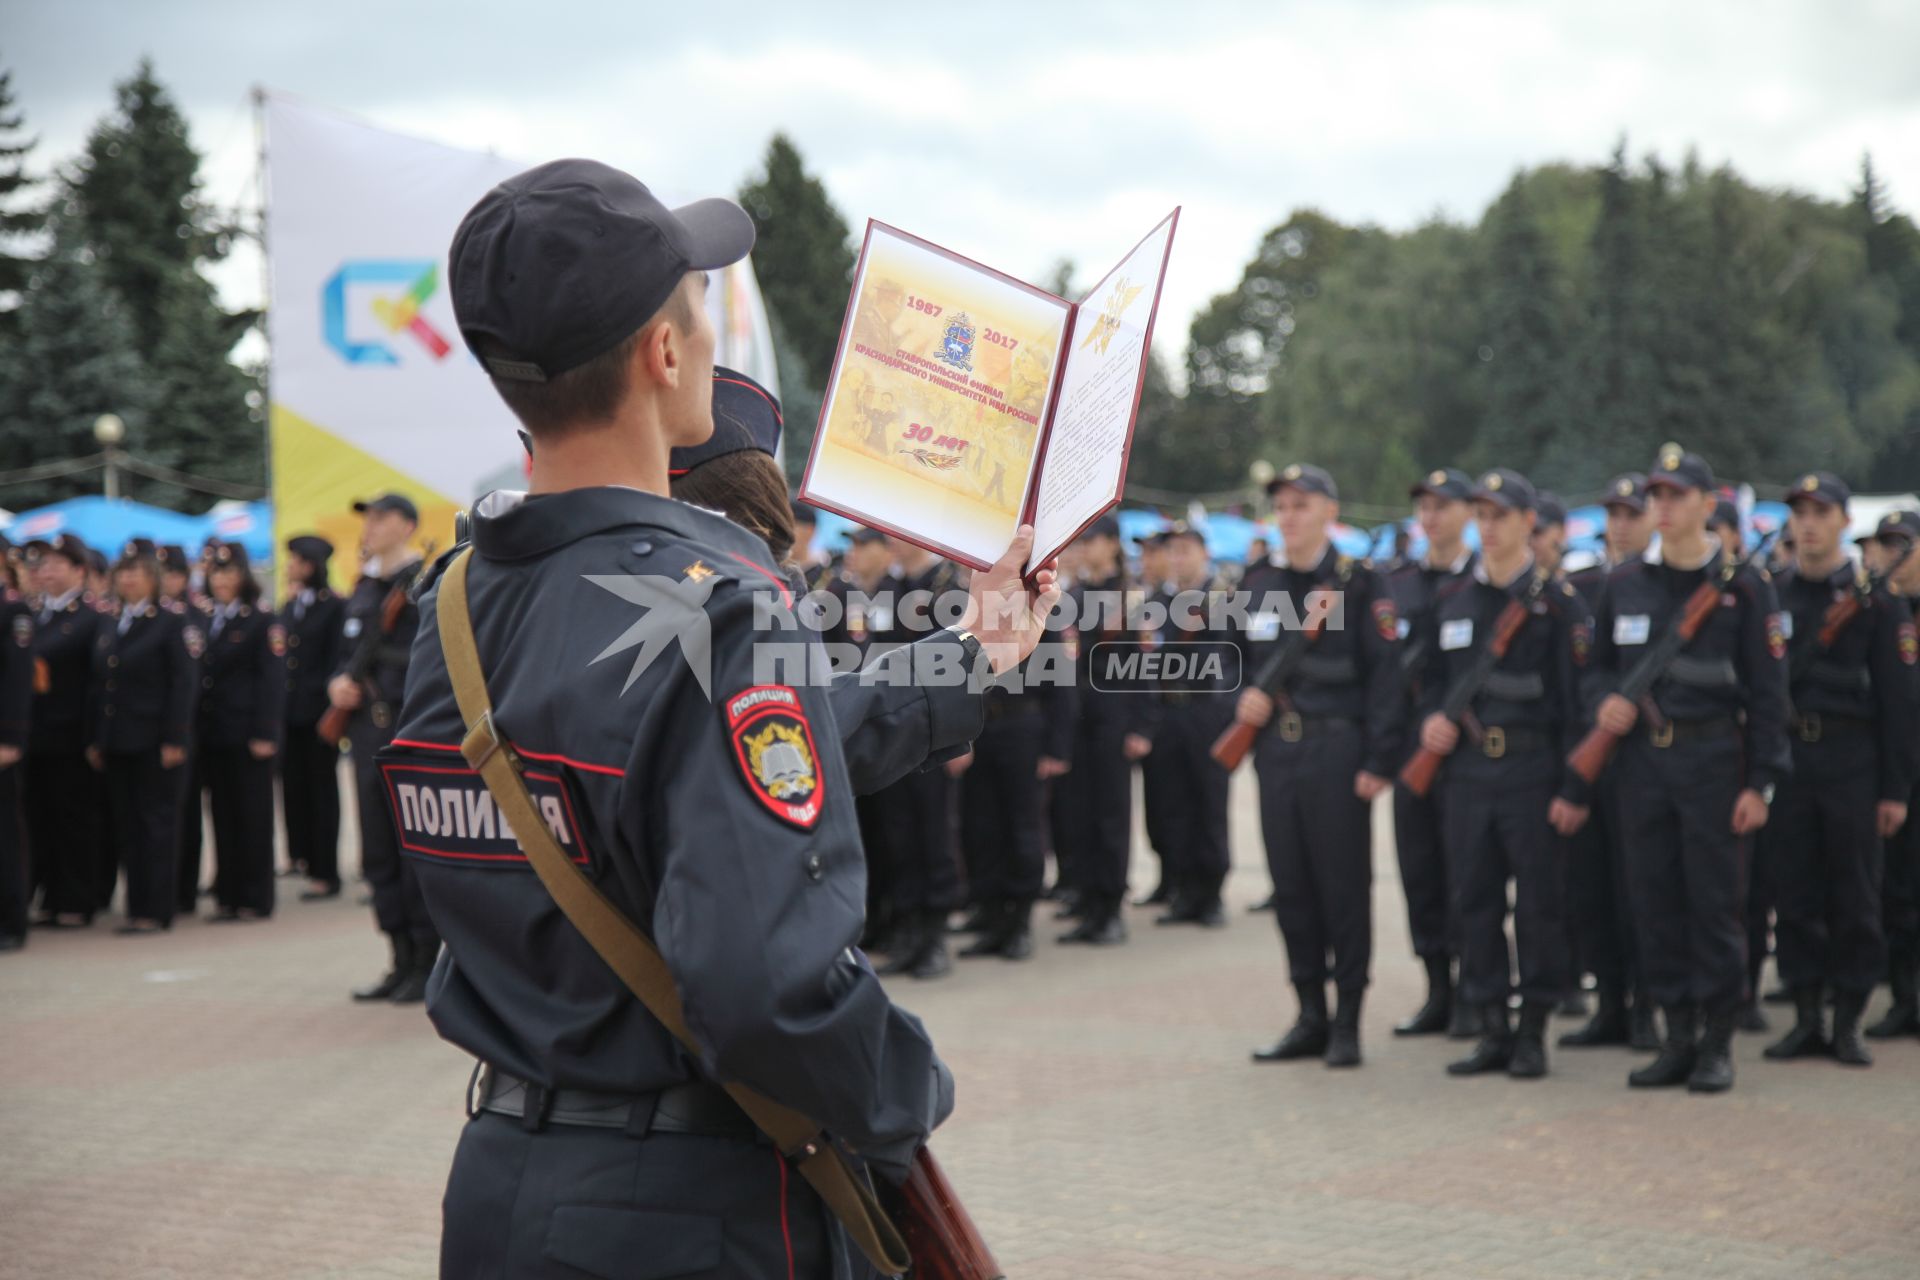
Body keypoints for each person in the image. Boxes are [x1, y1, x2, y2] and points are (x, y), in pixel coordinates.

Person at [403, 156, 1056, 1277]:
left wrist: (969, 654)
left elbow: (709, 764)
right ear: (664, 353)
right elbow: (771, 988)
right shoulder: (717, 609)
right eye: (699, 308)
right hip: (691, 1212)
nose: (708, 332)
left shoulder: (458, 599)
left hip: (502, 1180)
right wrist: (902, 1096)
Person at [1585, 444, 1790, 1093]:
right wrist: (1605, 704)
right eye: (1657, 495)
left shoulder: (1744, 586)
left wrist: (1760, 781)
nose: (1663, 507)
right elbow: (1593, 671)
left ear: (1707, 504)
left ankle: (1718, 1042)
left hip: (1713, 763)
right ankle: (1677, 1036)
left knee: (1714, 906)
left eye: (1677, 496)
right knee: (1654, 902)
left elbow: (1768, 693)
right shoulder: (1622, 584)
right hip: (1642, 763)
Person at [1415, 470, 1591, 1078]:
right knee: (1474, 901)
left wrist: (1573, 788)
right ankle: (1490, 1025)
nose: (1489, 528)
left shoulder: (1557, 605)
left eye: (1501, 517)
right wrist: (1431, 721)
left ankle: (1533, 1029)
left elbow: (1577, 707)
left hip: (1533, 772)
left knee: (1539, 905)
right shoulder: (1451, 599)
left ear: (1527, 524)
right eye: (1482, 516)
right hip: (1465, 774)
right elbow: (1428, 680)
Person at [1236, 464, 1402, 1069]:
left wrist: (1380, 758)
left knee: (1343, 888)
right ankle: (1309, 1013)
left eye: (1302, 505)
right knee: (1292, 887)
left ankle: (1349, 1019)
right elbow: (1230, 659)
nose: (1289, 516)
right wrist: (1242, 698)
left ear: (1330, 512)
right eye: (1281, 505)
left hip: (1338, 753)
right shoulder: (1255, 581)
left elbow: (1387, 675)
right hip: (1277, 755)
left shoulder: (1358, 583)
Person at [1759, 473, 1916, 1067]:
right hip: (1792, 762)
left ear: (1844, 522)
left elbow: (1901, 706)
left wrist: (1895, 790)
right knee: (1794, 894)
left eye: (1821, 513)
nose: (1808, 523)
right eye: (1800, 512)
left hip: (1853, 763)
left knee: (1855, 897)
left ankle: (1848, 1019)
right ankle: (1805, 1015)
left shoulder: (1877, 602)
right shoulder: (1772, 593)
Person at [1561, 473, 1661, 1052]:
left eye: (1632, 513)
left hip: (1646, 760)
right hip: (1587, 757)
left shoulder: (1664, 586)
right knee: (1592, 887)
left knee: (1640, 892)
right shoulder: (1583, 584)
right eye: (1613, 514)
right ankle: (1609, 1006)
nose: (1620, 524)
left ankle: (1646, 1007)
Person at [329, 492, 436, 1002]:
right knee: (377, 854)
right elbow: (345, 653)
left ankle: (426, 963)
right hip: (367, 733)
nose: (370, 525)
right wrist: (338, 686)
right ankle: (397, 958)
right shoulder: (365, 586)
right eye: (367, 517)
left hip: (406, 731)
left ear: (408, 524)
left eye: (381, 516)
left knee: (412, 853)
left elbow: (428, 661)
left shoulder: (425, 584)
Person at [1385, 468, 1478, 1038]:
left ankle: (1476, 991)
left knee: (1469, 877)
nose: (1431, 516)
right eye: (1424, 506)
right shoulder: (1396, 582)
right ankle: (1437, 989)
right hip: (1407, 750)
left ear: (1467, 513)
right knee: (1419, 872)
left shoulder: (1482, 583)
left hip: (1466, 752)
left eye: (1443, 506)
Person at [89, 541, 200, 934]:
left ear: (153, 578)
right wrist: (98, 739)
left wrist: (176, 739)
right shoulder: (113, 620)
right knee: (127, 825)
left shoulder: (172, 621)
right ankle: (136, 906)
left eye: (137, 571)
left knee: (156, 826)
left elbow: (183, 685)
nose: (128, 578)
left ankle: (157, 908)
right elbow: (102, 685)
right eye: (123, 571)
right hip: (118, 741)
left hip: (155, 742)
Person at [871, 538, 967, 979]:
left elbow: (964, 663)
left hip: (933, 729)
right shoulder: (890, 588)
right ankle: (908, 931)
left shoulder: (945, 586)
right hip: (896, 730)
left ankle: (933, 936)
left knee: (933, 833)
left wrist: (961, 736)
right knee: (899, 832)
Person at [1051, 515, 1148, 943]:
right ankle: (1087, 899)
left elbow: (1144, 666)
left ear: (1111, 544)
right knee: (1079, 813)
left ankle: (1110, 906)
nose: (1084, 548)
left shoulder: (1128, 598)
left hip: (1114, 716)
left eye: (1090, 540)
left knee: (1110, 815)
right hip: (1078, 717)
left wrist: (1141, 725)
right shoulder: (1075, 594)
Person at [178, 544, 285, 922]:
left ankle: (255, 896)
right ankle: (228, 894)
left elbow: (272, 681)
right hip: (214, 733)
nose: (221, 580)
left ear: (243, 577)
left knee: (251, 816)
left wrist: (266, 731)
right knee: (222, 815)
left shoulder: (260, 620)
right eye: (216, 573)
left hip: (247, 733)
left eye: (229, 572)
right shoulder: (207, 619)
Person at [1139, 523, 1233, 928]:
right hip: (1166, 712)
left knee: (1207, 803)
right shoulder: (1157, 600)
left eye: (1186, 550)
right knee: (1171, 804)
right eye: (1173, 551)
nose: (1178, 558)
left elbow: (1233, 660)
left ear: (1203, 554)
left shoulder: (1222, 599)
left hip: (1204, 710)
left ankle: (1210, 894)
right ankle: (1182, 889)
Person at [23, 535, 105, 929]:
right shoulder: (35, 614)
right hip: (35, 735)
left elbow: (97, 683)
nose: (47, 571)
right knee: (40, 819)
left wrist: (94, 736)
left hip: (71, 735)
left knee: (73, 821)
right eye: (44, 564)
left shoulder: (91, 617)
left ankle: (76, 899)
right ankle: (50, 896)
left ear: (79, 571)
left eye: (58, 564)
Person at [1867, 509, 1920, 1039]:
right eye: (1884, 544)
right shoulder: (1878, 611)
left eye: (1902, 543)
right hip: (1896, 772)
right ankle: (1907, 998)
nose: (1891, 555)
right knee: (1899, 889)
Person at [281, 535, 347, 898]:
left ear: (309, 564)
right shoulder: (291, 606)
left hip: (320, 714)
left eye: (295, 560)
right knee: (295, 788)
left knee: (322, 791)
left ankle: (326, 871)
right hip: (290, 714)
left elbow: (335, 658)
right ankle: (302, 856)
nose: (290, 566)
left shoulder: (334, 606)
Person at [0, 538, 31, 952]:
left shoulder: (13, 609)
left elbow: (18, 680)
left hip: (1, 741)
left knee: (5, 835)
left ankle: (11, 920)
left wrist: (10, 738)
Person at [1531, 492, 1568, 575]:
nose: (1531, 541)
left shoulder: (1585, 580)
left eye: (1537, 532)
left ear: (1561, 532)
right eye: (1526, 534)